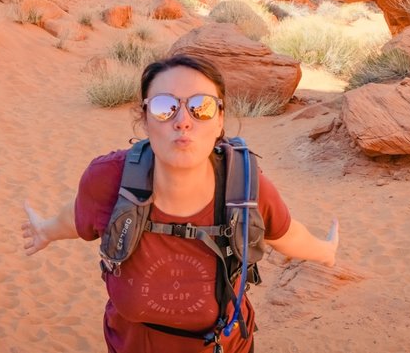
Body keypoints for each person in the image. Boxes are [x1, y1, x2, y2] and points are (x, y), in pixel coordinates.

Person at [22, 54, 339, 353]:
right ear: (145, 120)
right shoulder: (108, 179)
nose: (183, 121)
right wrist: (46, 230)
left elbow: (288, 236)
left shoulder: (244, 186)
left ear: (219, 121)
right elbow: (78, 216)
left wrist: (325, 251)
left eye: (201, 107)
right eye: (165, 107)